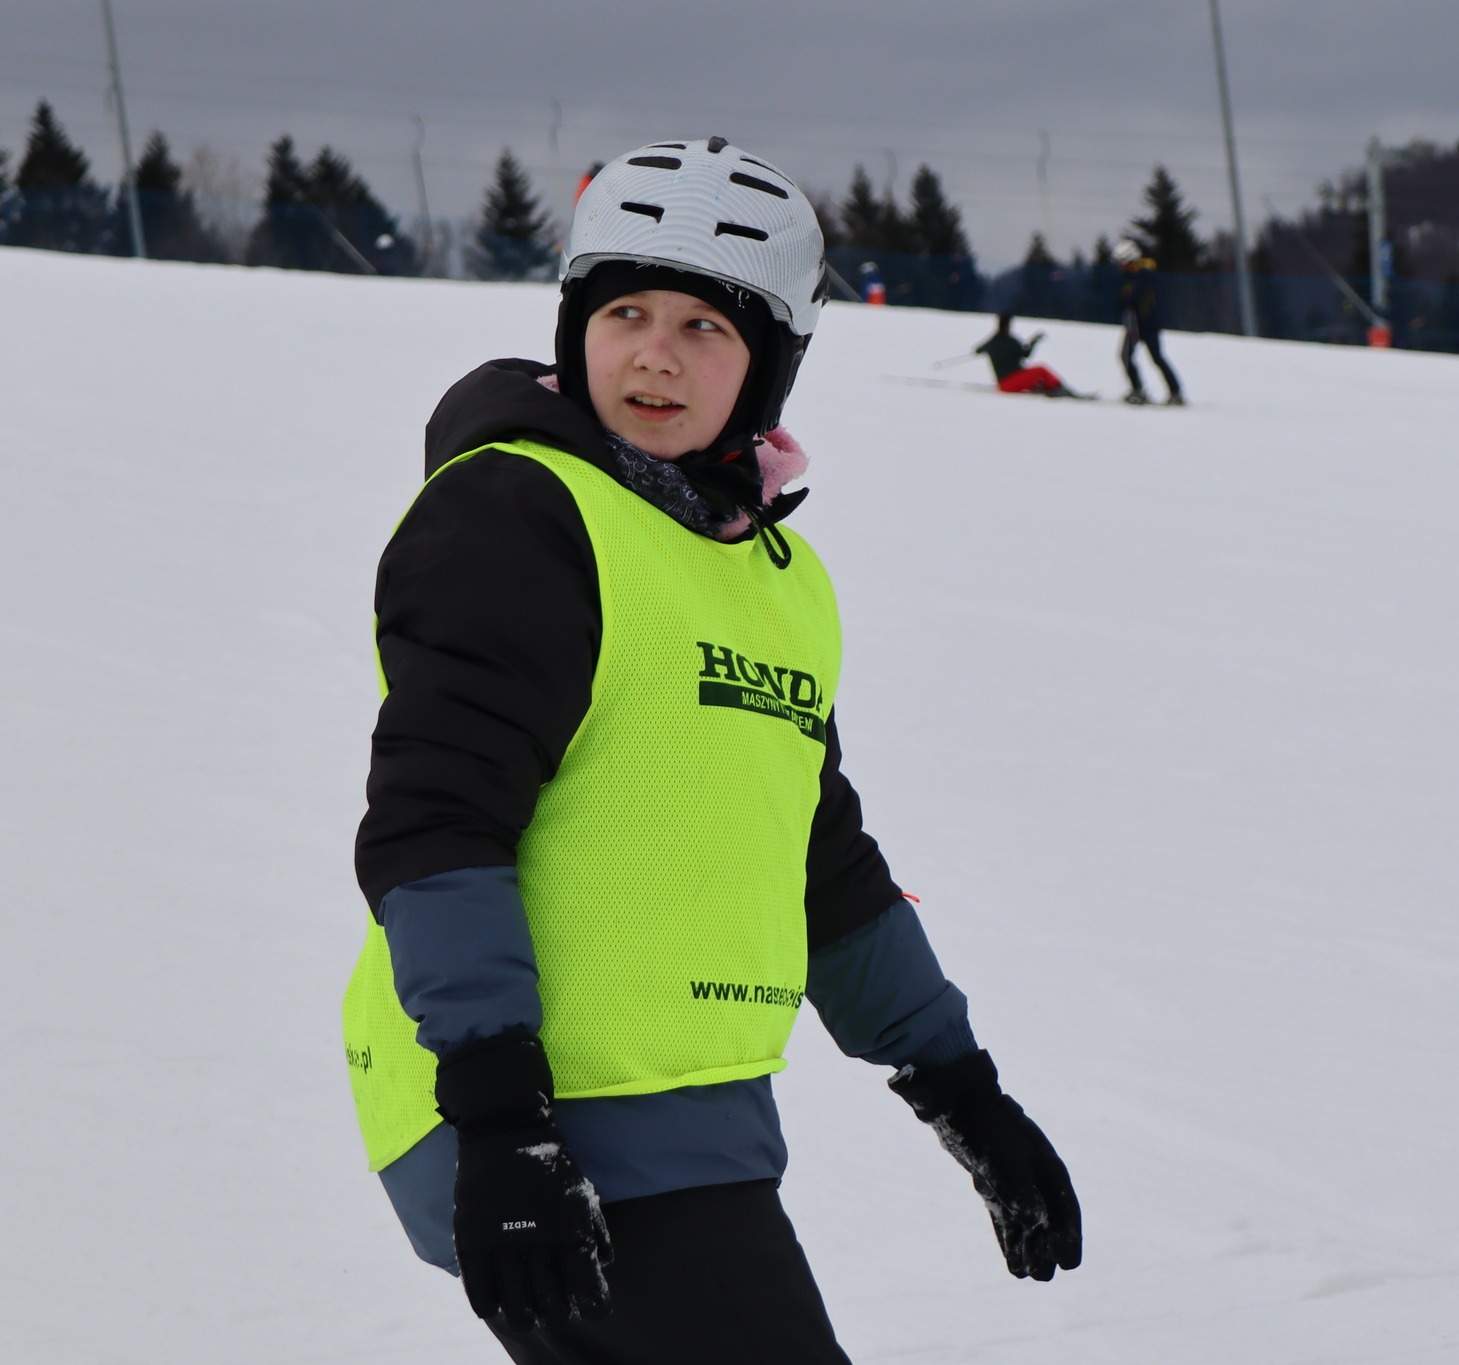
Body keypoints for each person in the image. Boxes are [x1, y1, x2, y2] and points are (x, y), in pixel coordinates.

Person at [342, 138, 1082, 1365]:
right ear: (575, 323)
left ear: (769, 369)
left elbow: (817, 859)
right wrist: (497, 1115)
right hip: (536, 1109)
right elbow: (435, 825)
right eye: (625, 311)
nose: (655, 354)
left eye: (706, 328)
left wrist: (964, 1092)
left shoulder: (768, 577)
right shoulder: (520, 511)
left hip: (689, 1116)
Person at [1113, 238, 1185, 405]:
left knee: (1157, 358)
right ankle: (1137, 389)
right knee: (1125, 356)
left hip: (1148, 324)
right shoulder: (1129, 276)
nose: (1121, 267)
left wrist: (1127, 297)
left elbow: (1132, 297)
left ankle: (1176, 392)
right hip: (1133, 325)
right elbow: (1122, 299)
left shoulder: (1144, 274)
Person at [975, 312, 1075, 395]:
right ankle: (1058, 388)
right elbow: (1026, 354)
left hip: (1002, 385)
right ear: (1008, 325)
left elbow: (978, 350)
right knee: (1041, 370)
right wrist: (1034, 341)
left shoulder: (991, 342)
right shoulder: (1011, 341)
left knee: (1031, 376)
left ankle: (1043, 387)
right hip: (1012, 382)